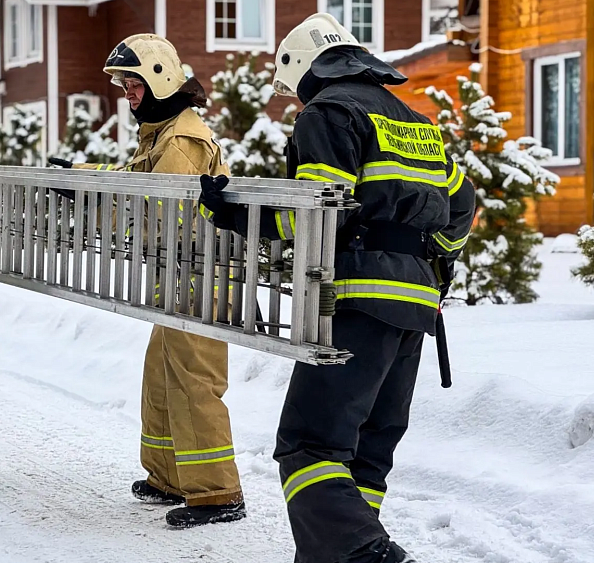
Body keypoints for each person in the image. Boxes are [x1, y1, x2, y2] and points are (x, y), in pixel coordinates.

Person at [198, 13, 476, 562]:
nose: (295, 102)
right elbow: (461, 208)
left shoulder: (327, 114)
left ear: (306, 70)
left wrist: (237, 215)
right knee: (366, 454)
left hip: (358, 296)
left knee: (309, 445)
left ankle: (366, 554)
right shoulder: (417, 123)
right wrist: (425, 264)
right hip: (416, 306)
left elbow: (316, 215)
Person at [52, 34, 245, 528]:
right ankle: (168, 477)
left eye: (134, 82)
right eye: (124, 83)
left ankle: (217, 494)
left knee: (193, 384)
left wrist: (90, 196)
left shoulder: (179, 139)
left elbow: (154, 214)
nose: (128, 92)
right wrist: (84, 179)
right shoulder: (161, 133)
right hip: (180, 280)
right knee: (161, 378)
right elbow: (133, 182)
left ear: (159, 80)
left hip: (201, 280)